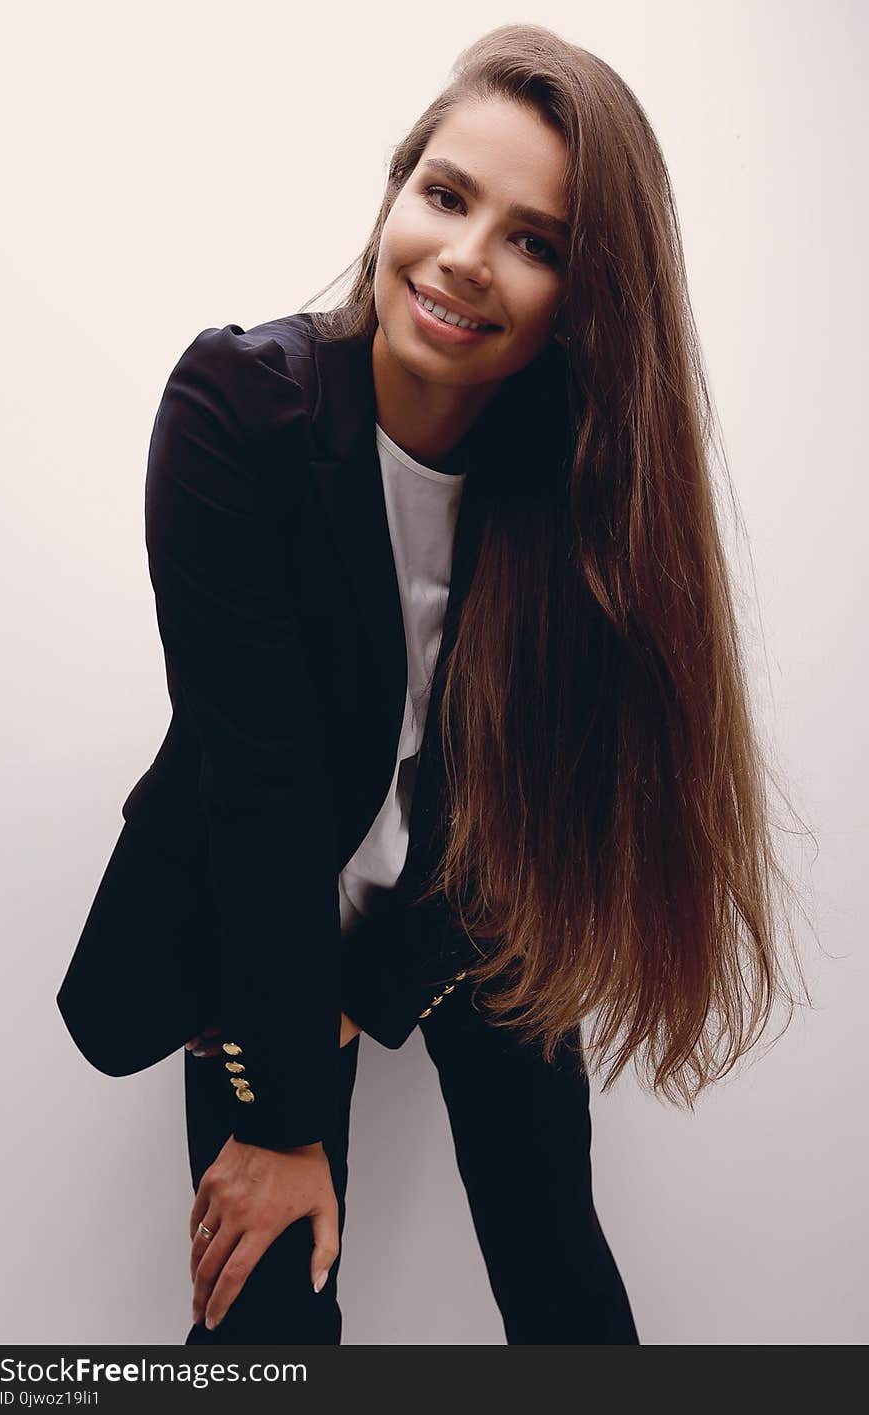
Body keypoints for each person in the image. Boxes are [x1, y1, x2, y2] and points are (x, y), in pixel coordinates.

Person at [56, 23, 809, 1345]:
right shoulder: (239, 409)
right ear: (397, 191)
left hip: (473, 907)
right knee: (266, 1325)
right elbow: (262, 793)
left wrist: (379, 985)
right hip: (250, 922)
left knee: (560, 1272)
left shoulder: (574, 481)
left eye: (538, 239)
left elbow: (536, 790)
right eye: (448, 195)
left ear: (584, 299)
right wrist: (286, 1124)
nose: (466, 256)